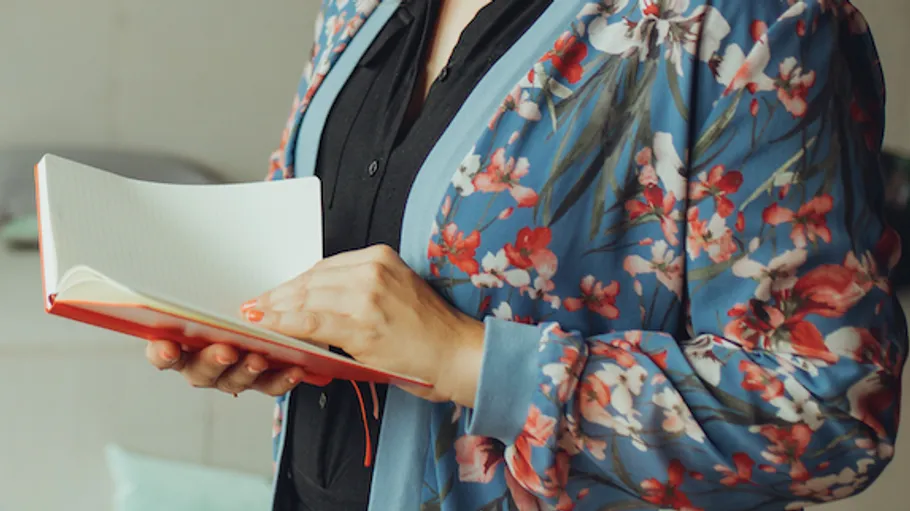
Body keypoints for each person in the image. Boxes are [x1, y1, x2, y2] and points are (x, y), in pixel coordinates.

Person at [146, 0, 908, 509]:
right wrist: (258, 330)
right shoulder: (359, 6)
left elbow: (836, 409)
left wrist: (475, 359)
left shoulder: (751, 21)